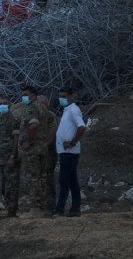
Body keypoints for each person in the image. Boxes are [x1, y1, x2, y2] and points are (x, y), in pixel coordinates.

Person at [52, 87, 87, 218]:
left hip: (70, 152)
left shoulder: (73, 110)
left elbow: (82, 127)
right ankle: (75, 209)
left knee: (64, 180)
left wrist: (72, 142)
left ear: (71, 96)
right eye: (60, 96)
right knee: (72, 181)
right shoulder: (67, 111)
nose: (62, 98)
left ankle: (59, 209)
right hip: (65, 151)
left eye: (64, 96)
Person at [17, 84, 50, 218]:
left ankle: (35, 209)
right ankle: (43, 208)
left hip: (33, 150)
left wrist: (29, 142)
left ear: (34, 96)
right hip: (42, 148)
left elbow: (34, 124)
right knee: (42, 178)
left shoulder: (31, 108)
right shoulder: (42, 108)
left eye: (26, 95)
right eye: (23, 95)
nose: (24, 98)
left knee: (33, 179)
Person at [0, 94, 20, 217]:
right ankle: (9, 209)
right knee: (4, 186)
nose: (2, 105)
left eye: (4, 103)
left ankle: (12, 210)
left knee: (11, 186)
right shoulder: (0, 120)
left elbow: (16, 139)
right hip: (1, 158)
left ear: (9, 105)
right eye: (0, 103)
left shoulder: (12, 120)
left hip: (9, 157)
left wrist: (12, 157)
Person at [37, 95, 59, 213]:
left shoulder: (51, 116)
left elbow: (52, 134)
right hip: (39, 154)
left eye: (42, 104)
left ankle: (50, 206)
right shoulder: (38, 116)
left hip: (49, 154)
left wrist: (43, 145)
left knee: (48, 180)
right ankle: (42, 206)